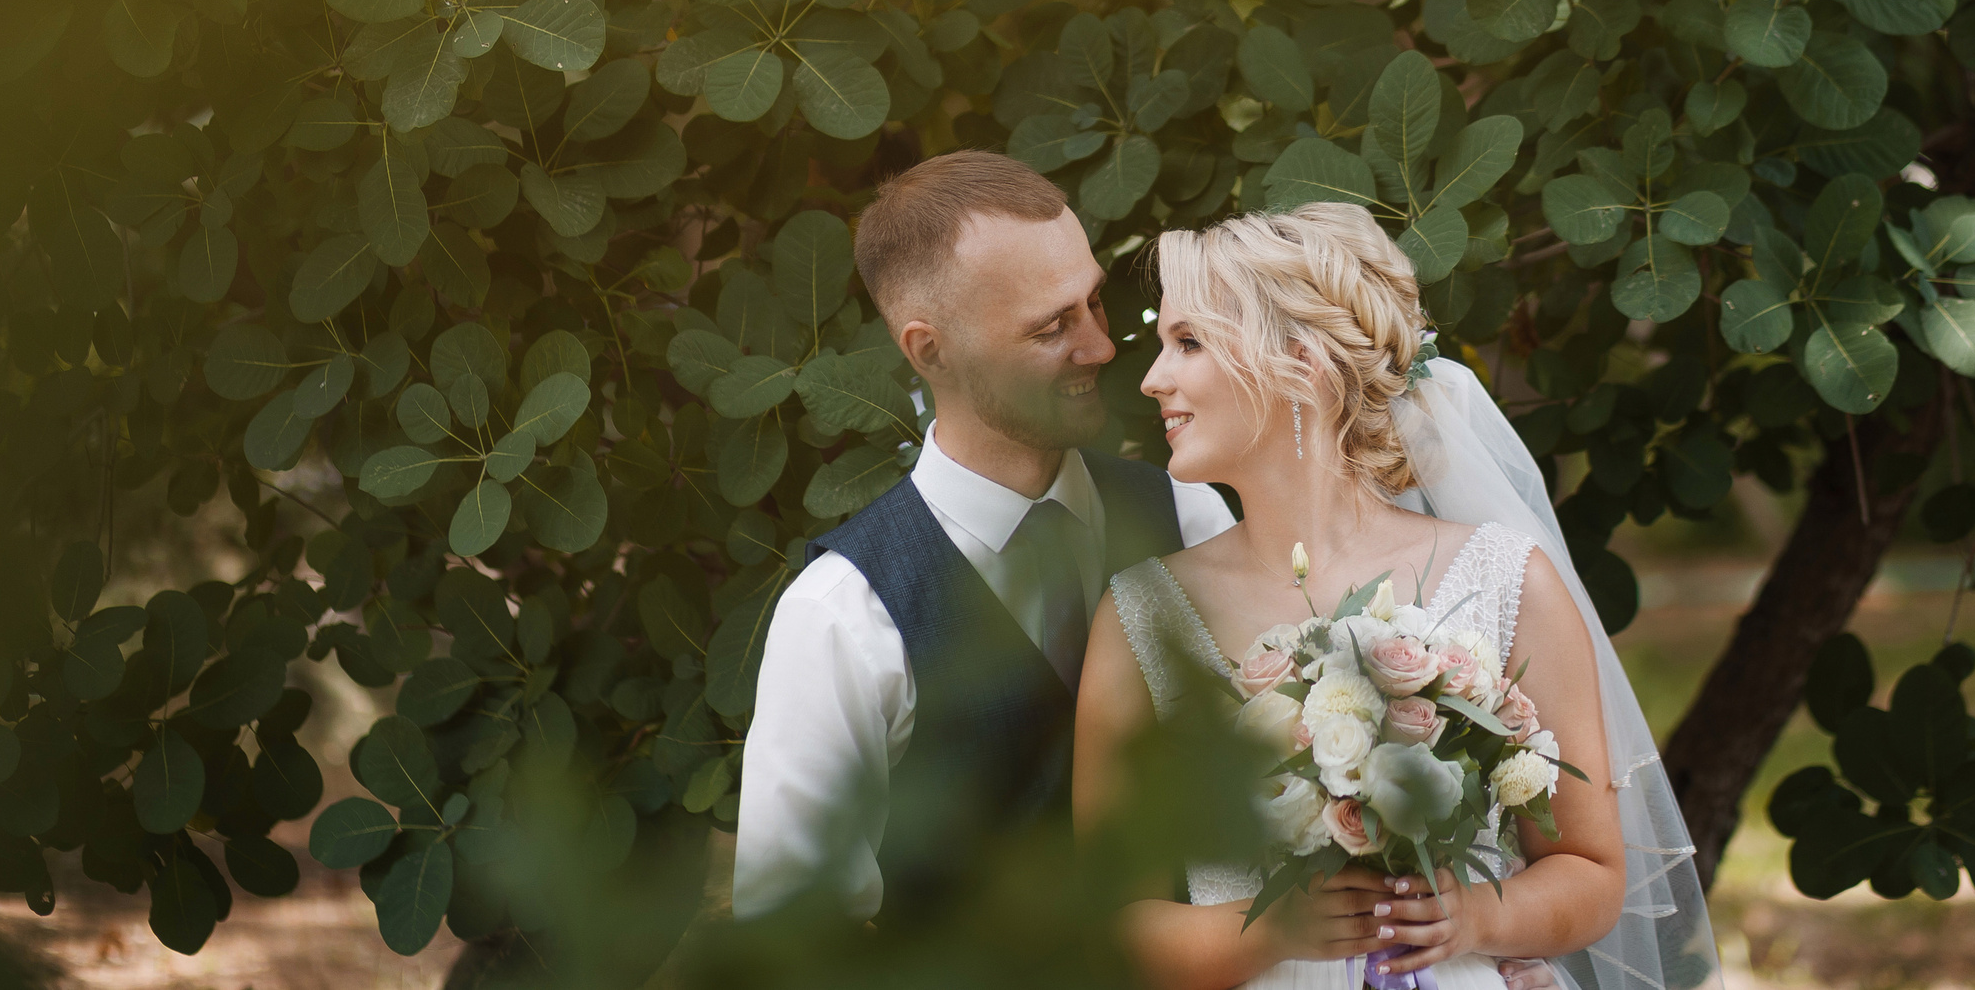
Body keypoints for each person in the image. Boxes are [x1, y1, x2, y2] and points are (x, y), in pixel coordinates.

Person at [1072, 203, 1721, 990]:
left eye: (1188, 342)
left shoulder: (1506, 582)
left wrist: (1476, 915)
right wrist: (1272, 928)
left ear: (1300, 361)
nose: (1152, 378)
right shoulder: (1145, 614)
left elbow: (1589, 871)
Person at [733, 151, 1237, 919]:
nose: (1101, 347)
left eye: (1094, 303)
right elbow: (794, 935)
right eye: (1050, 327)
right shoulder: (841, 616)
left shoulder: (1187, 515)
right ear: (929, 349)